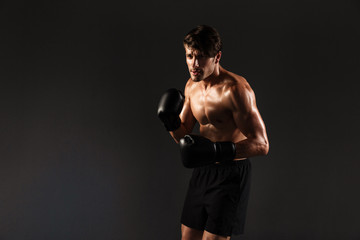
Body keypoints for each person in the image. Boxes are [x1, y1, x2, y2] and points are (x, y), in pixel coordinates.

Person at [157, 25, 269, 240]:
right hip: (203, 171)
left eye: (201, 57)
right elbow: (184, 137)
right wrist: (171, 123)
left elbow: (262, 144)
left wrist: (217, 151)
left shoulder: (236, 90)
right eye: (190, 56)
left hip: (231, 174)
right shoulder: (191, 86)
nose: (194, 64)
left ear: (216, 57)